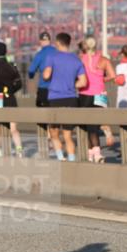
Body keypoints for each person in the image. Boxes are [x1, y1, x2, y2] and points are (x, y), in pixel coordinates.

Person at [42, 32, 88, 162]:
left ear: (57, 43)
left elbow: (46, 75)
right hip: (71, 98)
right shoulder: (76, 59)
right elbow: (83, 82)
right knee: (68, 134)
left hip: (55, 98)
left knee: (54, 132)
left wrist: (48, 74)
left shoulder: (52, 57)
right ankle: (72, 159)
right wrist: (72, 87)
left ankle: (61, 157)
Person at [77, 36, 116, 163]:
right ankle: (96, 153)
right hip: (101, 94)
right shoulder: (104, 60)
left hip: (85, 94)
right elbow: (113, 76)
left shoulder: (81, 59)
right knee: (96, 124)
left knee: (88, 126)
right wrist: (101, 79)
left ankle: (92, 153)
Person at [28, 31, 55, 108]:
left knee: (42, 114)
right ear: (50, 41)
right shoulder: (57, 52)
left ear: (40, 41)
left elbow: (31, 70)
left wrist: (31, 76)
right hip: (57, 89)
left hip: (44, 87)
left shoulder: (40, 54)